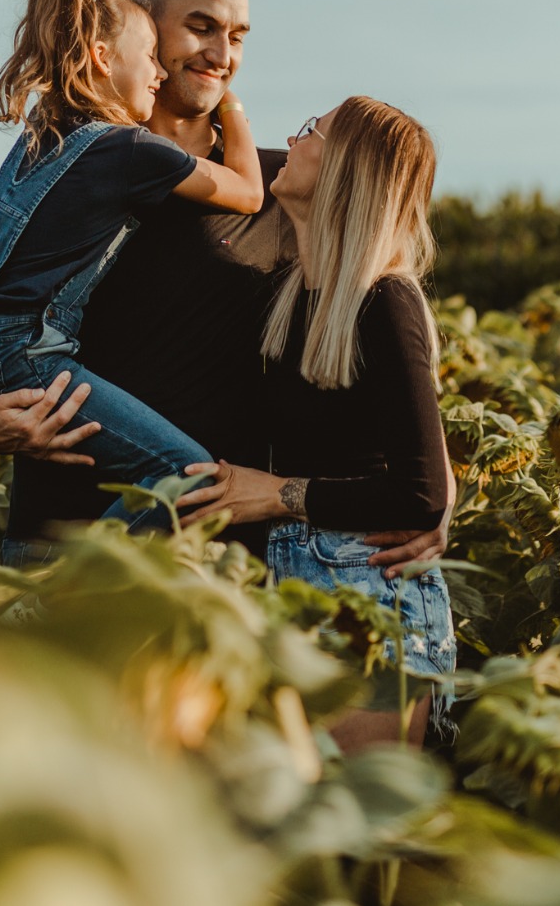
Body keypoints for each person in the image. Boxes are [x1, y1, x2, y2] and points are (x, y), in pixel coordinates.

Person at [0, 0, 450, 576]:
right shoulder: (73, 164)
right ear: (145, 26)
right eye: (201, 27)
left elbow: (392, 303)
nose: (222, 55)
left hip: (217, 554)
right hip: (57, 535)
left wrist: (435, 500)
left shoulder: (283, 183)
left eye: (237, 37)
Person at [0, 0, 264, 530]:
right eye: (157, 53)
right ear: (106, 56)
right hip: (32, 386)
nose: (161, 73)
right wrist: (231, 106)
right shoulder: (131, 152)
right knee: (188, 478)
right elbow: (248, 193)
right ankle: (83, 584)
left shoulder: (45, 134)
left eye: (236, 37)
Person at [173, 97, 457, 748]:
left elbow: (422, 493)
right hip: (298, 596)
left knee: (361, 841)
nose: (290, 140)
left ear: (342, 172)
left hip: (371, 603)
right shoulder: (295, 295)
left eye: (310, 132)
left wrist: (273, 493)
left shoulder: (384, 300)